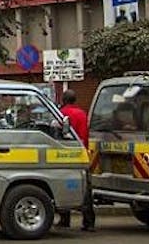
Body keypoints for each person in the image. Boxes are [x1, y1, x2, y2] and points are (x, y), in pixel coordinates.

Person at [56, 89, 95, 231]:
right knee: (86, 189)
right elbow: (85, 134)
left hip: (63, 152)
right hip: (81, 152)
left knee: (63, 183)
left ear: (63, 100)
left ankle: (65, 219)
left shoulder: (61, 114)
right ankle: (89, 222)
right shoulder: (82, 113)